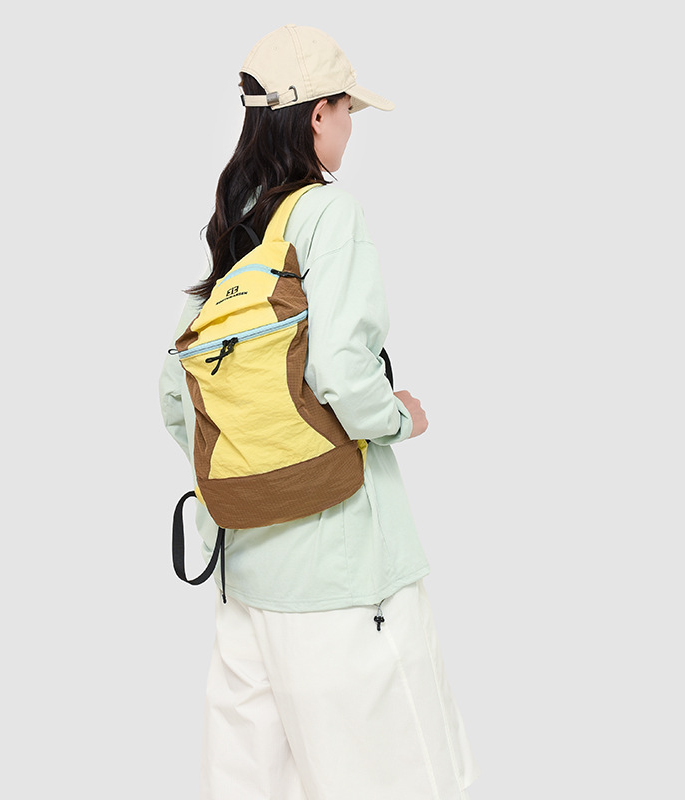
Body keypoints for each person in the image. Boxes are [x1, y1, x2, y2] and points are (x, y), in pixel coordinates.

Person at [159, 24, 480, 800]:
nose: (349, 129)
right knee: (408, 780)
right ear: (316, 114)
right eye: (346, 111)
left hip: (244, 576)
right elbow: (341, 371)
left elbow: (175, 397)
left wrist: (256, 471)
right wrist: (399, 416)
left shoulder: (234, 232)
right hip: (344, 575)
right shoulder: (327, 216)